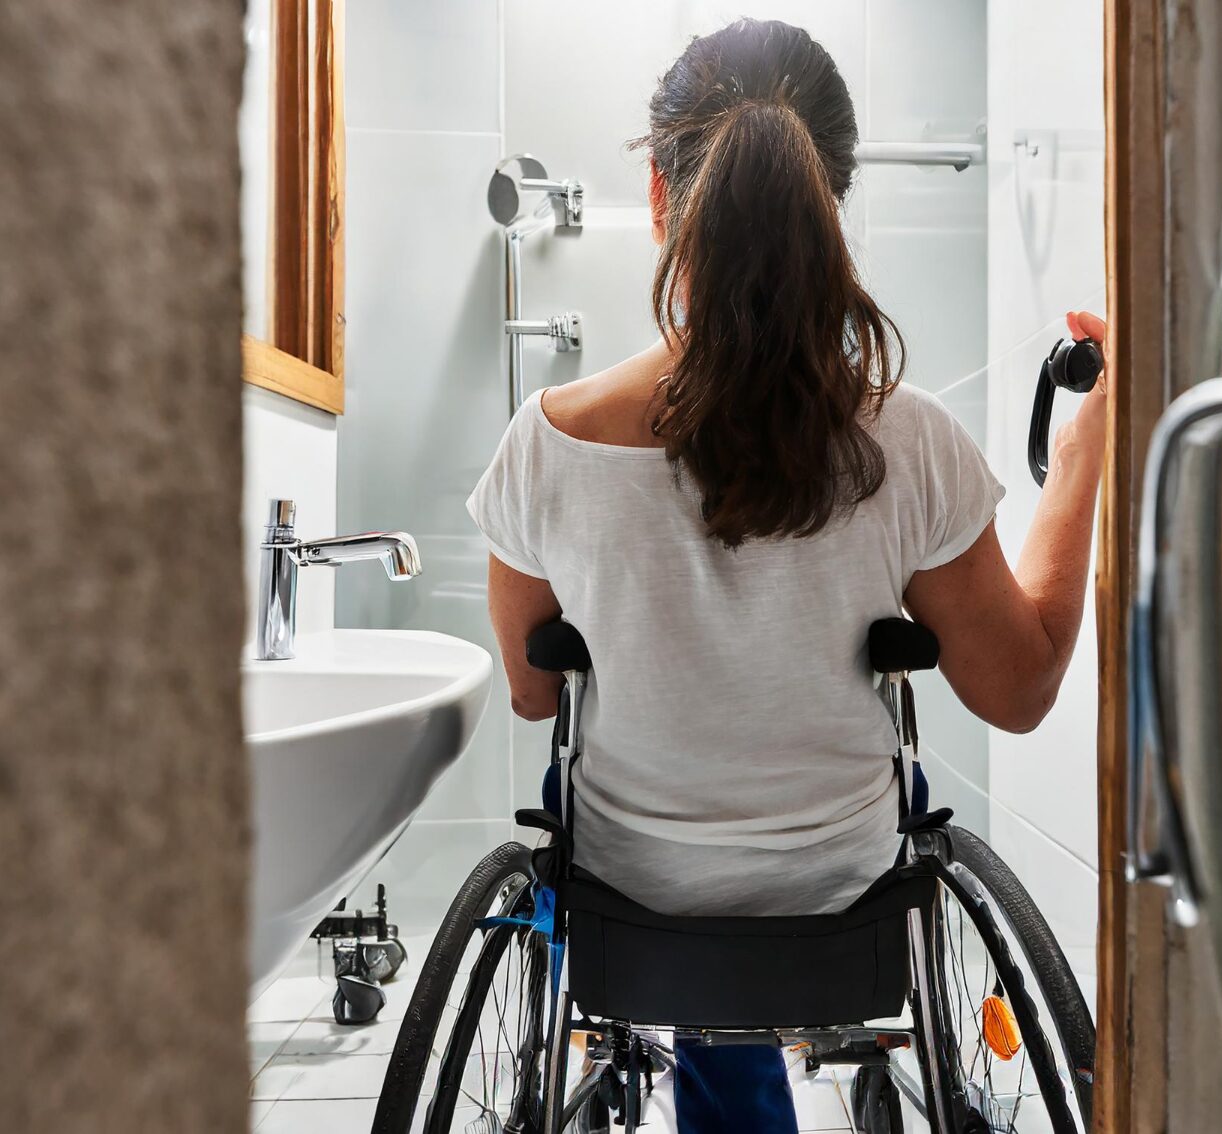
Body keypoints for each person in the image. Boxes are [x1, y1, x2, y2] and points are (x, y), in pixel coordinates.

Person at [467, 18, 1107, 1133]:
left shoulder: (546, 440)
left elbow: (532, 693)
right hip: (846, 915)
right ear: (831, 208)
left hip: (634, 918)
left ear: (665, 208)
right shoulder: (909, 443)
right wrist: (1095, 438)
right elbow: (1020, 686)